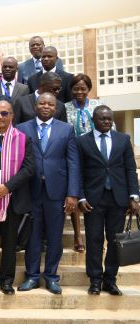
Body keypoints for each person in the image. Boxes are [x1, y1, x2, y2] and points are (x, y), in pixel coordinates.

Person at [16, 93, 80, 294]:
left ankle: (52, 277)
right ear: (35, 106)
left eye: (50, 104)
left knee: (54, 237)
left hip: (57, 192)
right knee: (33, 237)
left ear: (56, 108)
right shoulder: (22, 128)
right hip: (31, 191)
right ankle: (32, 276)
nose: (45, 106)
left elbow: (73, 162)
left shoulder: (67, 129)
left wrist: (72, 194)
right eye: (42, 103)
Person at [78, 106, 140, 296]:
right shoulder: (82, 141)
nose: (106, 122)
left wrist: (134, 196)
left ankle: (110, 280)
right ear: (93, 120)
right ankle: (95, 280)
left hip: (118, 198)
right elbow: (78, 171)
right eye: (102, 119)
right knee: (94, 239)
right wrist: (80, 196)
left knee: (115, 240)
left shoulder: (123, 140)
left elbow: (130, 169)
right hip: (93, 199)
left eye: (109, 119)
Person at [0, 101, 35, 294]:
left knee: (10, 244)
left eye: (4, 113)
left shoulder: (23, 139)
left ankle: (6, 280)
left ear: (12, 116)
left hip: (12, 199)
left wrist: (7, 187)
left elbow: (29, 169)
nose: (0, 117)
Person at [65, 73, 104, 253]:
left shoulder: (98, 106)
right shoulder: (64, 108)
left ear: (89, 89)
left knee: (95, 194)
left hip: (95, 156)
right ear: (71, 90)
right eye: (76, 88)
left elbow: (107, 129)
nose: (79, 92)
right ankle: (78, 235)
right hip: (73, 155)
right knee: (75, 193)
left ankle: (98, 236)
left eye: (83, 88)